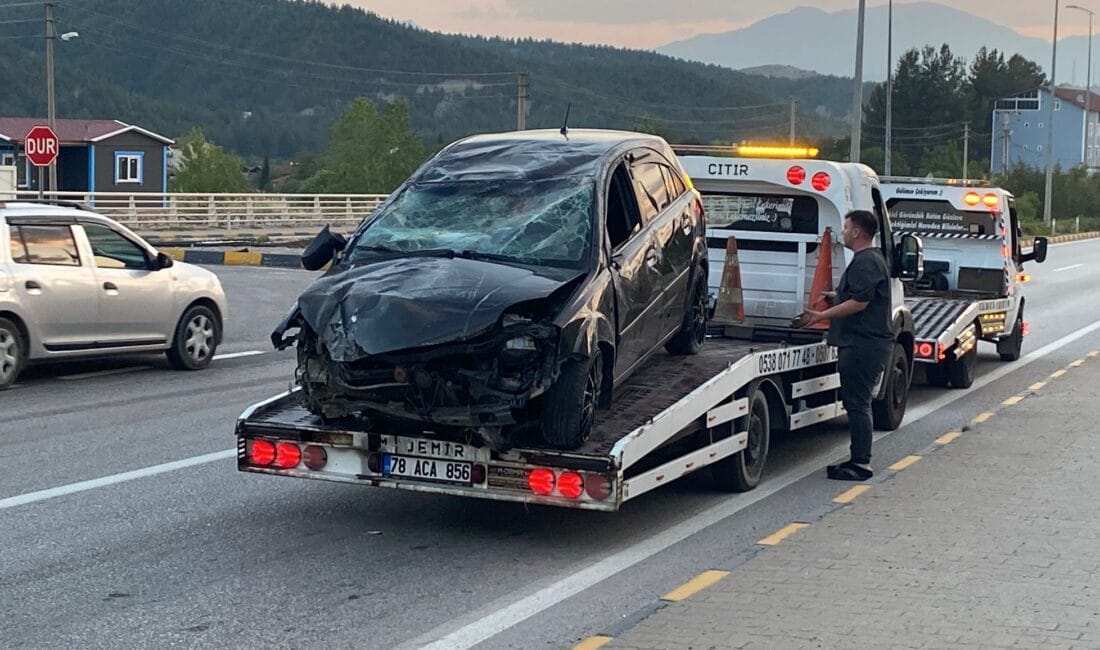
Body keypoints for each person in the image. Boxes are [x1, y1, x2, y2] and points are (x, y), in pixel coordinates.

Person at [802, 210, 893, 481]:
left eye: (845, 227)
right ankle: (858, 458)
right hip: (866, 343)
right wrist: (836, 295)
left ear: (857, 232)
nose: (842, 232)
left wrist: (821, 316)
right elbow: (858, 295)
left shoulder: (865, 262)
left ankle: (861, 463)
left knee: (858, 403)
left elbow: (860, 303)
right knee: (857, 402)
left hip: (863, 345)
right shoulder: (871, 260)